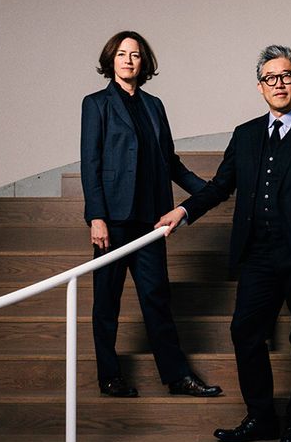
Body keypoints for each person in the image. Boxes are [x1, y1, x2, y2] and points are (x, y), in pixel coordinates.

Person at [156, 44, 291, 442]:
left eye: (286, 76)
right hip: (258, 256)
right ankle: (262, 417)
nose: (278, 84)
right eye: (270, 78)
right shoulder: (245, 135)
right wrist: (184, 211)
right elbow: (220, 186)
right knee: (244, 331)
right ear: (261, 87)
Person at [80, 30, 222, 398]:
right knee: (106, 303)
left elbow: (170, 162)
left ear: (145, 63)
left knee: (157, 298)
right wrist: (97, 216)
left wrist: (210, 190)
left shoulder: (154, 105)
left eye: (136, 54)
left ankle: (177, 377)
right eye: (123, 53)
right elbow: (91, 163)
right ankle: (109, 377)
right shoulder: (95, 104)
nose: (129, 60)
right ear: (111, 59)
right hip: (113, 221)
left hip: (151, 222)